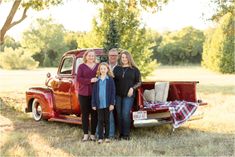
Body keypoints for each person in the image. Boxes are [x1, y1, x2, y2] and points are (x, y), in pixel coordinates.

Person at [113, 50, 141, 140]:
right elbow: (112, 81)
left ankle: (126, 134)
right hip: (117, 95)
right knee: (119, 114)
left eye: (126, 57)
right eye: (122, 57)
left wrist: (132, 88)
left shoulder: (135, 69)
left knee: (125, 114)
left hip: (128, 95)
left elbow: (139, 82)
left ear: (129, 58)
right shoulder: (116, 68)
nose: (124, 59)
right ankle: (120, 134)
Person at [77, 49, 99, 142]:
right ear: (85, 56)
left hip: (96, 93)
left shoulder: (98, 66)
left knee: (95, 114)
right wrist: (90, 80)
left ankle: (93, 134)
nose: (91, 57)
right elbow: (79, 79)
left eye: (93, 56)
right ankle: (86, 134)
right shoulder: (81, 66)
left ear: (95, 57)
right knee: (85, 114)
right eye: (89, 55)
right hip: (83, 93)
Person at [92, 62, 116, 144]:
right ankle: (100, 137)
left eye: (104, 68)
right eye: (101, 69)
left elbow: (113, 92)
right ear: (99, 70)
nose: (103, 70)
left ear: (107, 70)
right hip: (99, 104)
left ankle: (107, 137)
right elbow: (94, 93)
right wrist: (94, 104)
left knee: (107, 120)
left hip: (107, 104)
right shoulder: (96, 80)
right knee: (100, 120)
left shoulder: (110, 80)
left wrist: (112, 103)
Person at [107, 48, 119, 138]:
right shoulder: (104, 67)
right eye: (111, 55)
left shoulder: (121, 67)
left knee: (119, 112)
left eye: (114, 55)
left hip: (119, 93)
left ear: (117, 56)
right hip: (107, 94)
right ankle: (110, 133)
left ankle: (119, 131)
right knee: (109, 112)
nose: (113, 57)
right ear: (108, 56)